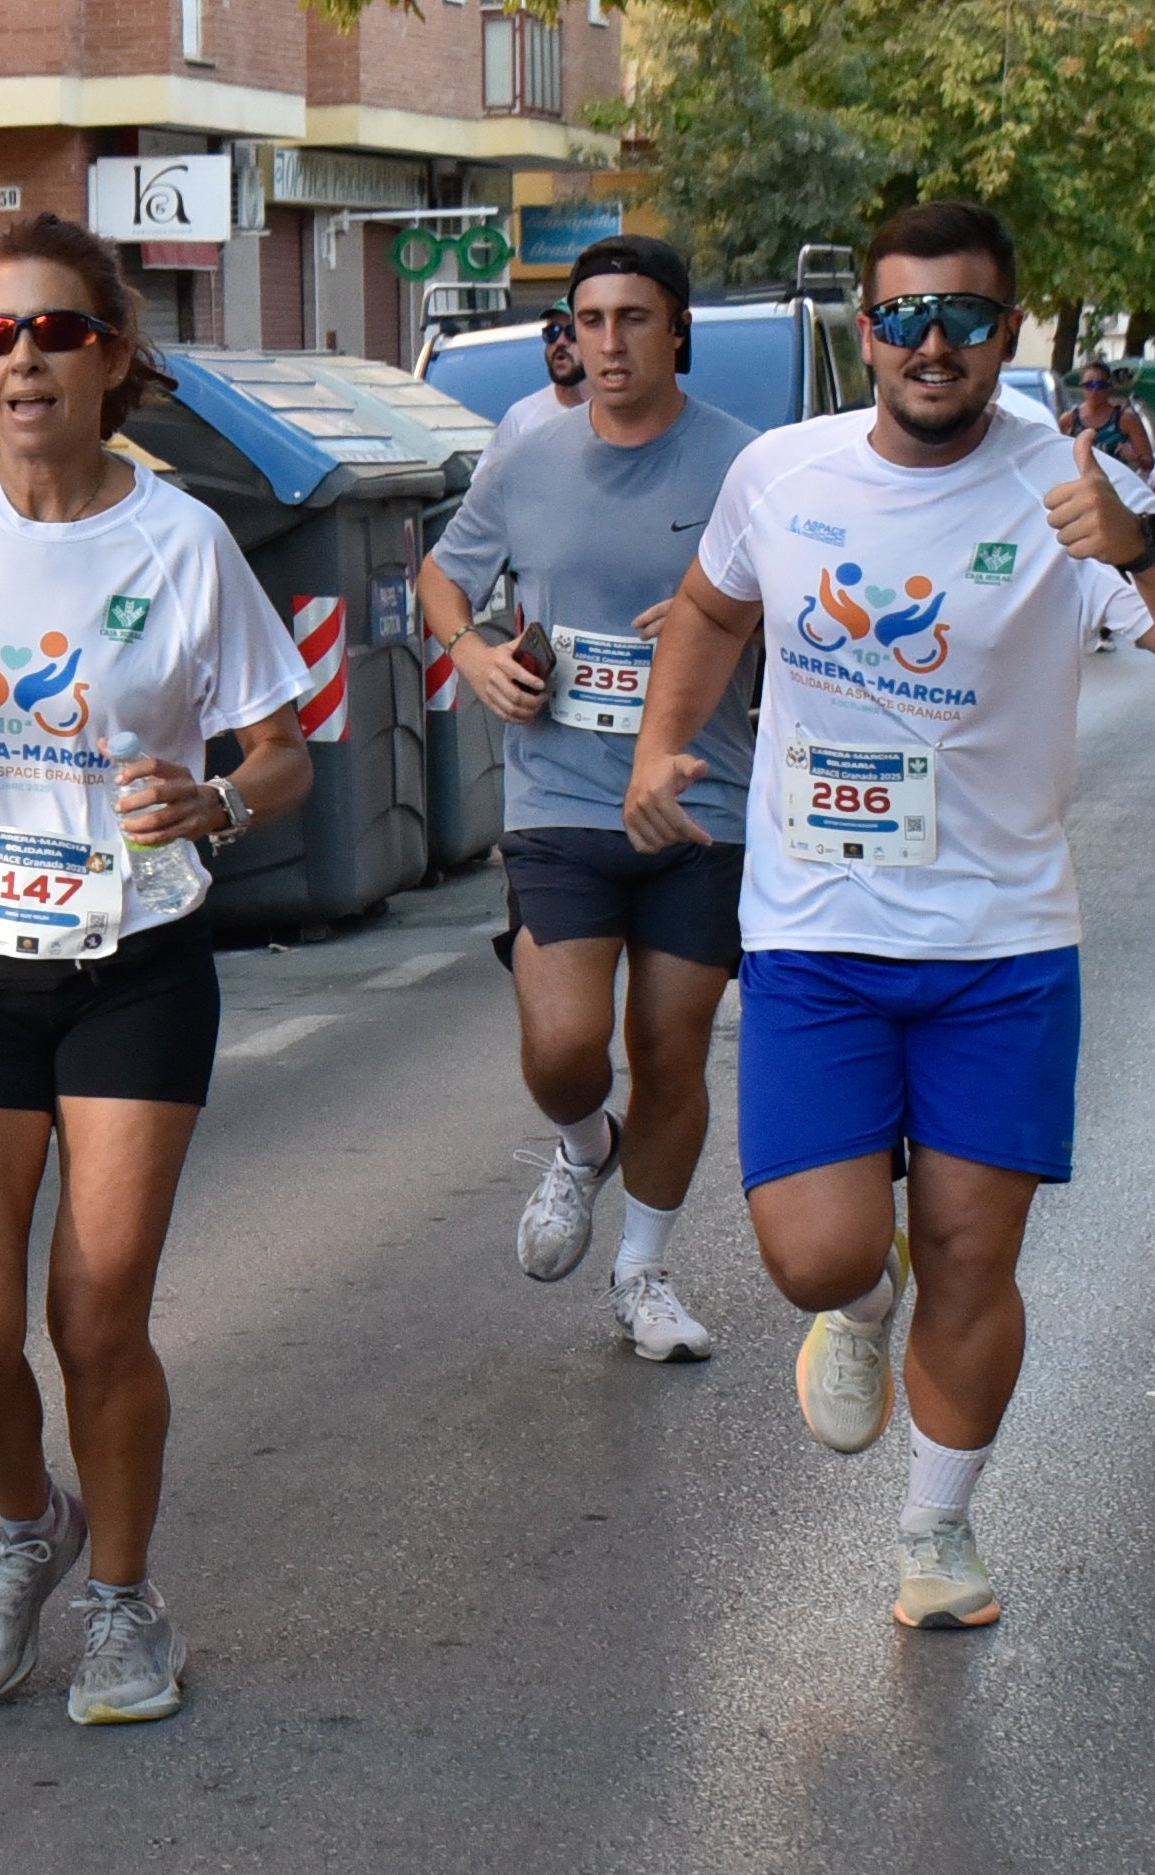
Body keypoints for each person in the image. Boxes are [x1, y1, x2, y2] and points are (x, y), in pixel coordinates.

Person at [623, 199, 1155, 1630]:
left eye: (963, 317)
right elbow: (712, 608)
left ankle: (936, 1527)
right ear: (865, 333)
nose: (931, 342)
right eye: (904, 316)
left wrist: (1144, 547)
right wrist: (662, 740)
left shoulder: (1069, 492)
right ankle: (858, 1300)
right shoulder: (778, 474)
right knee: (817, 1250)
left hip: (1000, 946)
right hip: (814, 936)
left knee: (978, 1252)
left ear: (1005, 333)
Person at [0, 214, 312, 1726]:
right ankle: (24, 1524)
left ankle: (120, 1595)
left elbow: (280, 751)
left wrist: (215, 800)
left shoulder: (179, 541)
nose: (21, 357)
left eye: (53, 332)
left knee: (96, 1315)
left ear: (111, 357)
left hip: (134, 958)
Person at [418, 234, 763, 1363]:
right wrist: (469, 653)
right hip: (559, 792)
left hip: (696, 800)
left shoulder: (746, 466)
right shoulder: (528, 457)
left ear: (677, 334)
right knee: (565, 1045)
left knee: (671, 1046)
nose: (605, 342)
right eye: (587, 321)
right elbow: (440, 575)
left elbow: (813, 598)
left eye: (631, 319)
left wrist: (728, 617)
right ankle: (581, 1142)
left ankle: (643, 1272)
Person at [479, 298, 588, 470]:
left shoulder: (616, 414)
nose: (560, 342)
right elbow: (484, 490)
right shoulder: (522, 417)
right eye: (552, 331)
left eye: (571, 332)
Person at [1057, 360, 1155, 479]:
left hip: (1116, 488)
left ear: (1108, 387)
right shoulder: (1069, 420)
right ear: (1082, 387)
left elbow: (1149, 463)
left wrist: (1134, 458)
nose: (1094, 391)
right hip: (1081, 488)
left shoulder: (1125, 420)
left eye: (1100, 385)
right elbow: (1057, 460)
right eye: (1089, 385)